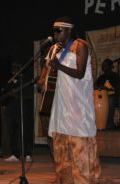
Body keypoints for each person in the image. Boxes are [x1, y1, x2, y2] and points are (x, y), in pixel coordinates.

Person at [37, 16, 101, 184]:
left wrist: (60, 67)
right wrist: (42, 80)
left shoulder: (80, 46)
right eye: (54, 31)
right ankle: (65, 178)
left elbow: (80, 73)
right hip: (61, 103)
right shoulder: (54, 49)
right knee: (60, 141)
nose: (56, 34)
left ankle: (84, 179)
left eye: (59, 30)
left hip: (78, 103)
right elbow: (46, 67)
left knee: (79, 141)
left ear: (69, 30)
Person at [0, 60, 33, 162]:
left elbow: (30, 96)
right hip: (11, 109)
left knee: (24, 131)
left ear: (20, 70)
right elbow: (4, 95)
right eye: (13, 68)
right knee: (12, 131)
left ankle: (27, 154)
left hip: (23, 109)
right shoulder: (9, 81)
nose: (14, 70)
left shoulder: (25, 80)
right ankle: (15, 154)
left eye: (16, 68)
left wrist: (16, 96)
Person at [95, 58, 120, 128]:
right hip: (102, 97)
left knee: (109, 100)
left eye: (105, 65)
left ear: (110, 66)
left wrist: (106, 88)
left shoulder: (115, 76)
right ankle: (98, 123)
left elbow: (118, 88)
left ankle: (109, 123)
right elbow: (95, 85)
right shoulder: (101, 77)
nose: (103, 66)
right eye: (102, 65)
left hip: (113, 96)